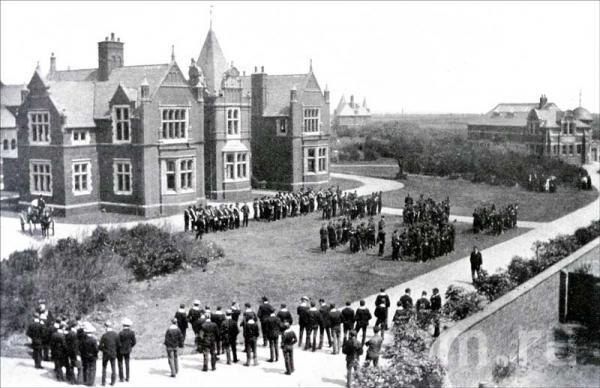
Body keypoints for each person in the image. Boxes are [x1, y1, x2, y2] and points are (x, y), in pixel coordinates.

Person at [99, 321, 119, 386]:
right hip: (113, 353)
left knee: (104, 368)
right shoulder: (116, 335)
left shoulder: (104, 335)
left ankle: (103, 382)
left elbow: (100, 346)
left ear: (105, 327)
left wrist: (104, 350)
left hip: (106, 354)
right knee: (113, 367)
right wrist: (115, 350)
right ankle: (113, 382)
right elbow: (119, 345)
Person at [117, 318, 136, 383]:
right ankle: (127, 377)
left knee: (120, 364)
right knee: (127, 363)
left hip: (120, 350)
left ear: (123, 325)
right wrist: (130, 346)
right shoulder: (131, 332)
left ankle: (121, 378)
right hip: (128, 350)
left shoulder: (120, 333)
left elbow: (118, 342)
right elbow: (134, 342)